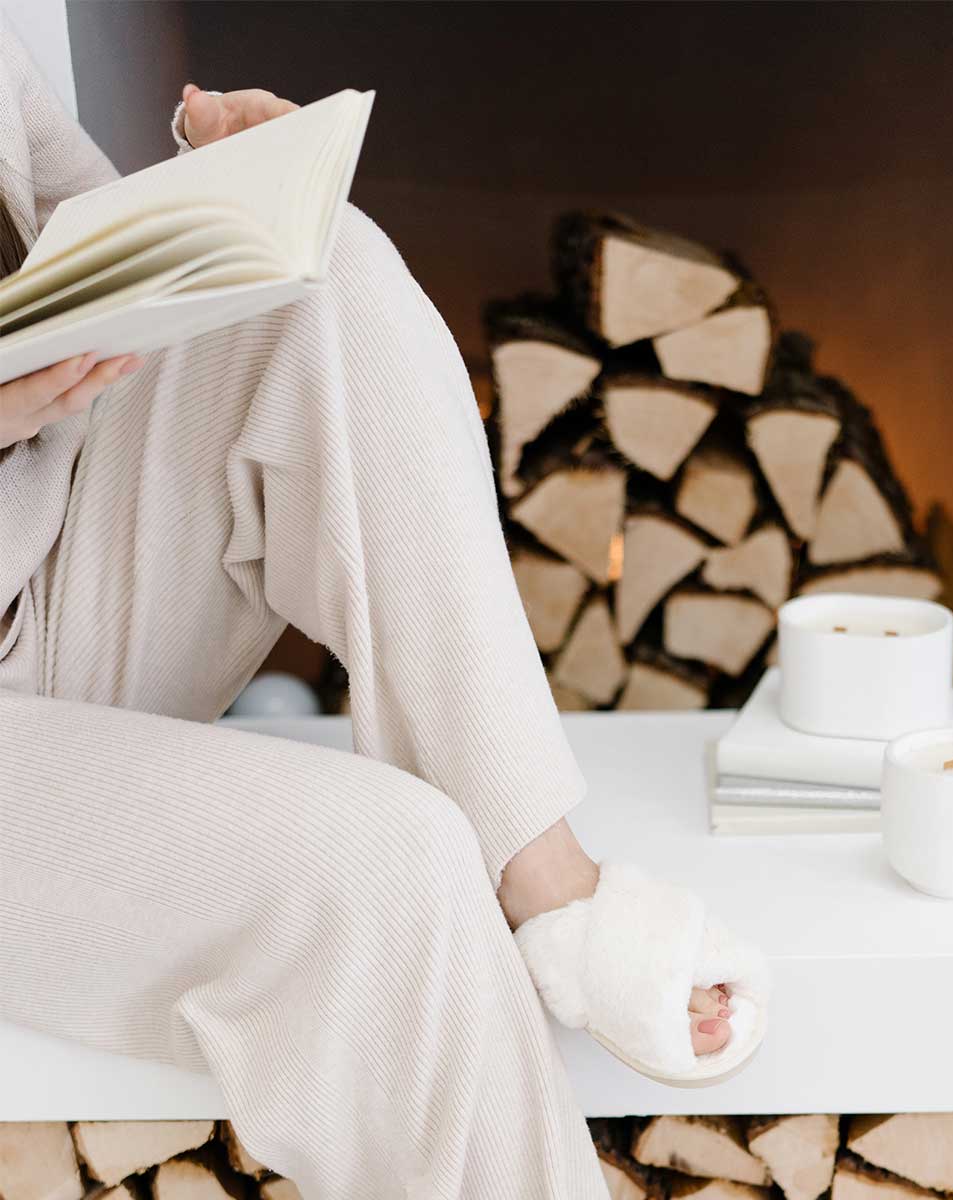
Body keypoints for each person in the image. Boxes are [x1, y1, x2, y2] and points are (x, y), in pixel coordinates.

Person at [0, 26, 767, 1200]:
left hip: (39, 580)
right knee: (392, 863)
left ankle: (544, 876)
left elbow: (59, 225)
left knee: (326, 268)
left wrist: (216, 194)